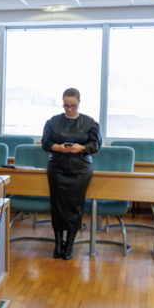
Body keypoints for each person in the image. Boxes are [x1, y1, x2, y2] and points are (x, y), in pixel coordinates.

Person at [40, 88, 101, 260]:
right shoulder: (53, 121)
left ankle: (70, 245)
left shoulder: (89, 122)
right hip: (57, 167)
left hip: (80, 169)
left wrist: (81, 148)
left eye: (73, 106)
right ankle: (58, 244)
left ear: (79, 103)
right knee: (57, 205)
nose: (69, 109)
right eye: (66, 105)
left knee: (75, 205)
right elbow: (45, 143)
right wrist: (58, 147)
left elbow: (96, 145)